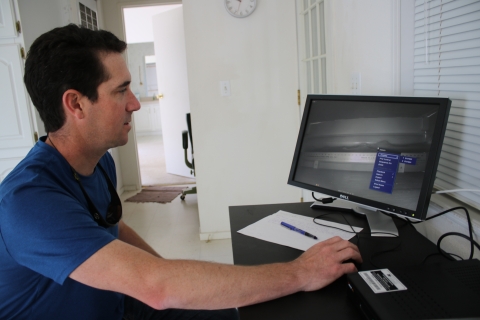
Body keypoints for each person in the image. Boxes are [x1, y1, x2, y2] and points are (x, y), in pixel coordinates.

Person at [0, 24, 362, 319]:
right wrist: (300, 273)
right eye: (121, 90)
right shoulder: (29, 202)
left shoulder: (97, 161)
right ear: (76, 103)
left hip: (117, 302)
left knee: (232, 312)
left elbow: (114, 227)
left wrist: (168, 274)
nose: (135, 103)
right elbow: (156, 287)